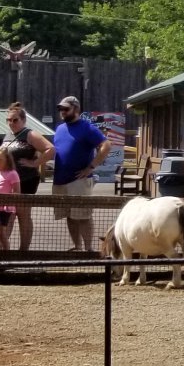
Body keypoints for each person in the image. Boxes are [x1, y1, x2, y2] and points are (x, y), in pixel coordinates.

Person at [51, 96, 111, 252]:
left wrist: (91, 167)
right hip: (60, 179)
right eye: (60, 109)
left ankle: (89, 249)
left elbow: (106, 145)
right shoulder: (59, 128)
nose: (62, 112)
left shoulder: (86, 127)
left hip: (79, 180)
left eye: (66, 109)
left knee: (83, 216)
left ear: (76, 109)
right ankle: (77, 247)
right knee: (70, 215)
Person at [1, 102, 54, 250]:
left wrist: (35, 163)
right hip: (9, 181)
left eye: (15, 120)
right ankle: (4, 250)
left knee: (22, 214)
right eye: (9, 120)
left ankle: (24, 250)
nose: (11, 123)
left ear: (23, 120)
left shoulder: (30, 134)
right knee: (9, 213)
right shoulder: (8, 135)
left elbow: (50, 149)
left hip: (26, 179)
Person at [0, 147, 20, 252]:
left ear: (7, 159)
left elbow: (17, 191)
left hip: (5, 208)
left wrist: (7, 200)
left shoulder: (12, 173)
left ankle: (6, 254)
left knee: (0, 233)